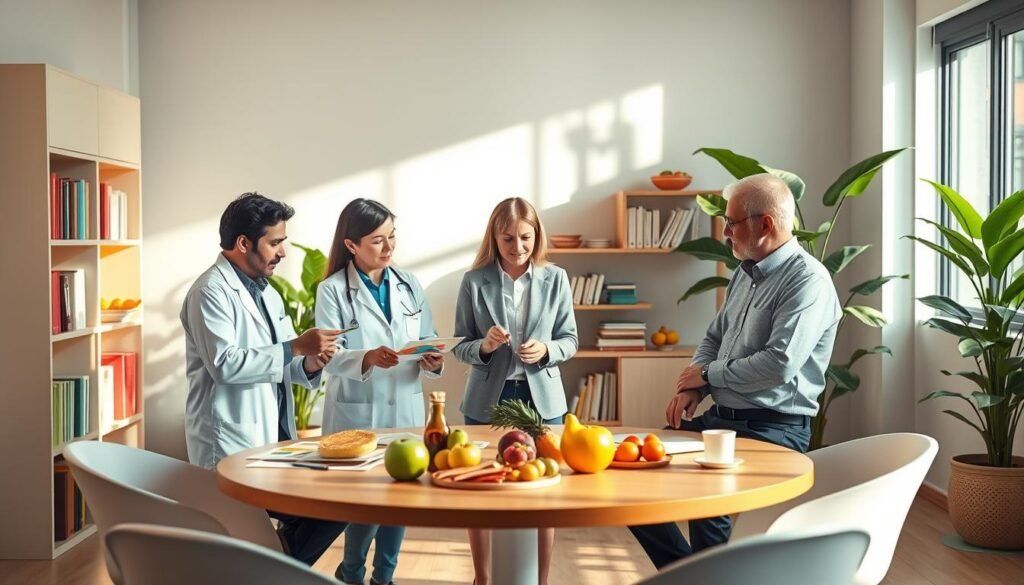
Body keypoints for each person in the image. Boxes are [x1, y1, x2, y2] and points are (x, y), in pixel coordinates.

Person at [628, 173, 842, 568]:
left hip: (772, 427)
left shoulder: (807, 280)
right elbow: (714, 337)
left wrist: (708, 377)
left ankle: (692, 576)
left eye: (731, 222)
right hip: (722, 420)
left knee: (707, 505)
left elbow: (780, 364)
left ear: (765, 224)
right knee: (631, 477)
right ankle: (690, 576)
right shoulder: (745, 272)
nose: (725, 231)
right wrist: (694, 387)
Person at [181, 192, 347, 565]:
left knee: (342, 502)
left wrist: (311, 362)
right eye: (275, 242)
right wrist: (294, 347)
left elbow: (281, 366)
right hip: (230, 441)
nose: (283, 251)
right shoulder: (210, 292)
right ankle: (275, 563)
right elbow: (225, 365)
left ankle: (275, 562)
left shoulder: (267, 293)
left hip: (274, 441)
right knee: (237, 542)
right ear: (243, 243)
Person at [316, 198, 443, 585]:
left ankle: (384, 577)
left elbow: (428, 339)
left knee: (400, 498)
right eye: (377, 240)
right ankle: (351, 572)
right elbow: (327, 354)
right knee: (366, 501)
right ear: (351, 245)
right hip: (358, 412)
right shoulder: (333, 290)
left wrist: (433, 360)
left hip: (403, 405)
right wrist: (366, 357)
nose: (389, 248)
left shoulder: (409, 284)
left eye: (392, 237)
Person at [452, 197, 578, 585]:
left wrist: (547, 350)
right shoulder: (475, 281)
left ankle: (541, 579)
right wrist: (485, 347)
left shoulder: (555, 277)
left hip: (543, 400)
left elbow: (570, 339)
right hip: (488, 399)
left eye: (525, 237)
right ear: (494, 236)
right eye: (508, 238)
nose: (518, 247)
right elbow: (459, 344)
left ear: (536, 235)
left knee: (544, 490)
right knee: (480, 488)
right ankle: (482, 577)